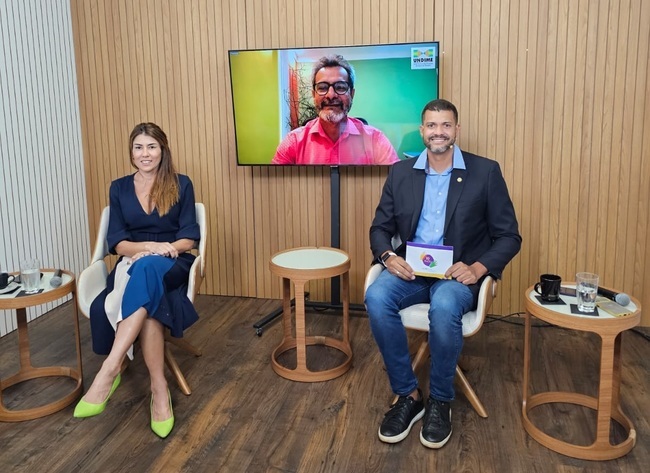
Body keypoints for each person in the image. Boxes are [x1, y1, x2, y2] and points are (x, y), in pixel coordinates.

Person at [365, 99, 521, 449]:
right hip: (412, 271)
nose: (439, 132)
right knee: (376, 297)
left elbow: (509, 236)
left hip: (457, 275)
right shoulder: (400, 172)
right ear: (422, 131)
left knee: (446, 306)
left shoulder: (485, 172)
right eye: (432, 125)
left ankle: (440, 400)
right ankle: (408, 395)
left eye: (446, 125)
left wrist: (477, 268)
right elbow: (380, 228)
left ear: (456, 130)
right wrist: (388, 256)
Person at [73, 123, 201, 439]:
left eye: (151, 147)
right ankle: (159, 389)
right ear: (132, 152)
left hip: (173, 262)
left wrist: (163, 249)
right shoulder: (118, 188)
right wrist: (146, 248)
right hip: (131, 261)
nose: (145, 154)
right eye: (139, 147)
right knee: (150, 301)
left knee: (147, 271)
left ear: (163, 150)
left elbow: (189, 238)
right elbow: (118, 243)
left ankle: (110, 368)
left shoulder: (181, 184)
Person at [271, 54, 399, 165]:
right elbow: (274, 182)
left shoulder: (375, 139)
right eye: (322, 87)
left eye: (340, 87)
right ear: (314, 94)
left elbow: (396, 181)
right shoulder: (293, 141)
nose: (331, 95)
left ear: (352, 94)